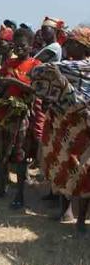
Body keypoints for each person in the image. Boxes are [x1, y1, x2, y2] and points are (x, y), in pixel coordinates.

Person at [31, 27, 90, 232]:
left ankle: (77, 218)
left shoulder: (72, 67)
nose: (67, 46)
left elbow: (37, 71)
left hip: (82, 128)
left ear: (83, 46)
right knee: (66, 167)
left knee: (81, 171)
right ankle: (70, 214)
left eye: (72, 42)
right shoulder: (64, 67)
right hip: (66, 126)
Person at [0, 28, 41, 208]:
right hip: (4, 112)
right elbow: (0, 85)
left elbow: (36, 90)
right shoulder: (9, 63)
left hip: (22, 114)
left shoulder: (36, 65)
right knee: (0, 151)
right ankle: (1, 188)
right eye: (16, 45)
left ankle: (19, 195)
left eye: (22, 46)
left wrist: (14, 82)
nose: (19, 48)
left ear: (31, 46)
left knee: (19, 155)